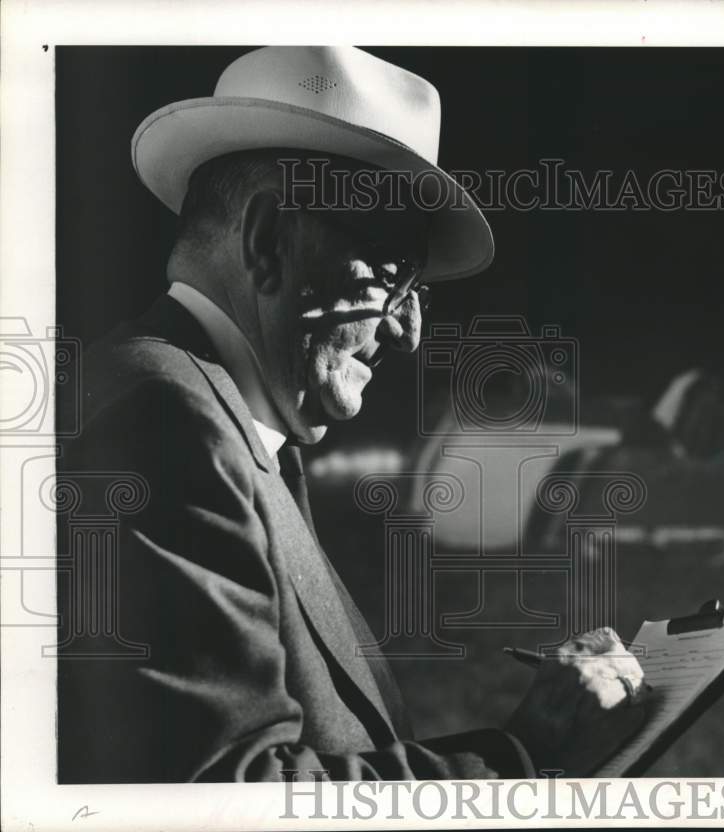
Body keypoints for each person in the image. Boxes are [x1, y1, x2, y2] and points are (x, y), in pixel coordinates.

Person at [56, 46, 647, 783]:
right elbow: (225, 798)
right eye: (391, 275)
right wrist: (526, 753)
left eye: (418, 295)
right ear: (270, 240)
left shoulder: (222, 421)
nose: (408, 332)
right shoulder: (163, 421)